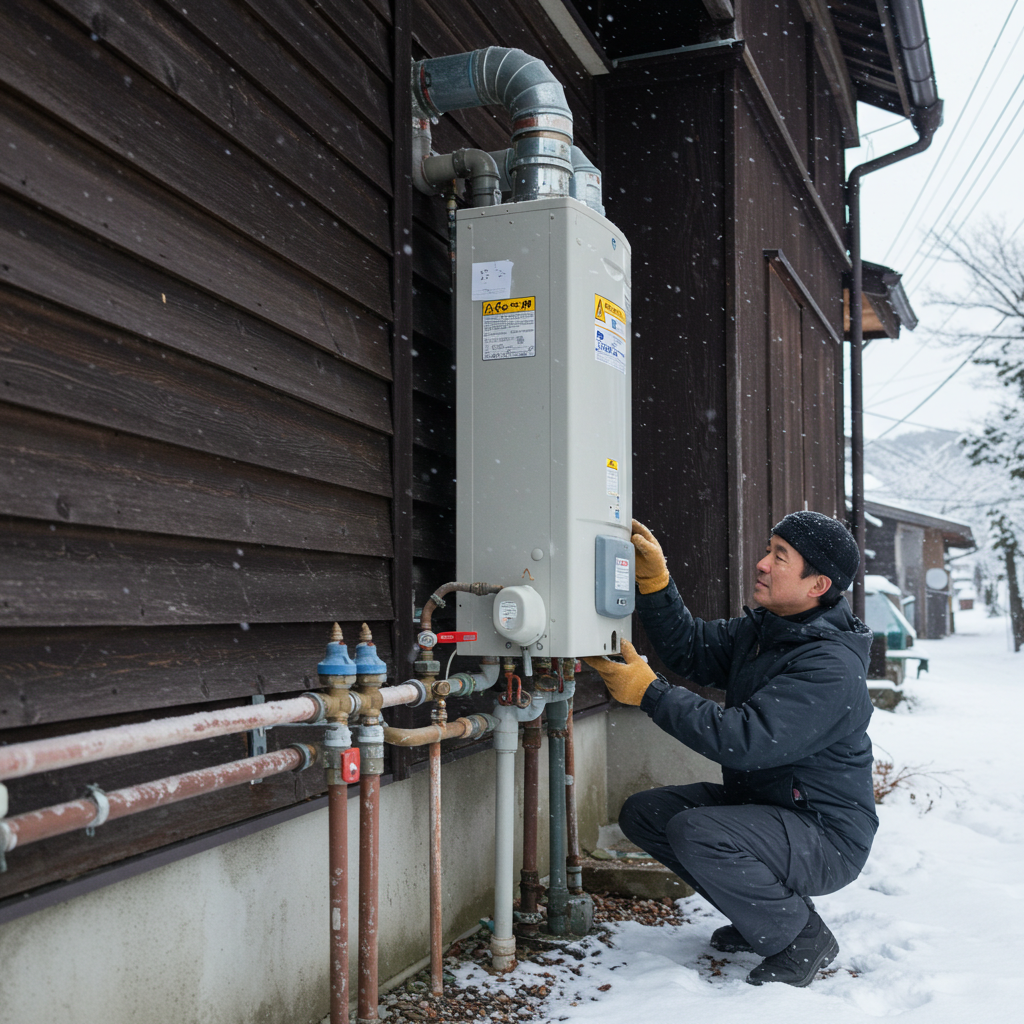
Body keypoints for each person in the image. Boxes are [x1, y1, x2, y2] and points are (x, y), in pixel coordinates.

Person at [584, 511, 876, 987]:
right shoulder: (770, 632)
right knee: (647, 813)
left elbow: (745, 740)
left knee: (699, 831)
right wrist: (656, 582)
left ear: (816, 584)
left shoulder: (829, 666)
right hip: (774, 811)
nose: (761, 563)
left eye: (779, 557)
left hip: (826, 837)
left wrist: (650, 694)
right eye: (767, 550)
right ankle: (760, 916)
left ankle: (800, 938)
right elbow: (690, 648)